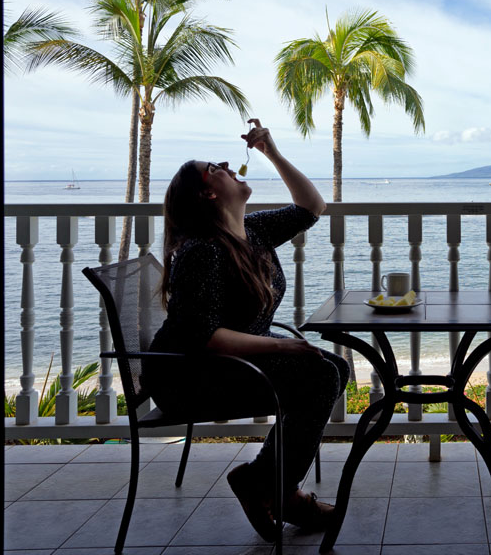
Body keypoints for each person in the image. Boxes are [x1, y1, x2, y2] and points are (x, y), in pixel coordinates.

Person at [145, 119, 346, 541]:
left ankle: (267, 482)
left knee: (333, 369)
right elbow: (206, 337)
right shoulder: (202, 250)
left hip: (231, 363)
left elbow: (312, 207)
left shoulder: (252, 230)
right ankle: (275, 489)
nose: (224, 163)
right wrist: (284, 348)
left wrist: (271, 151)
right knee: (321, 373)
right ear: (208, 193)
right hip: (190, 375)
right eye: (213, 167)